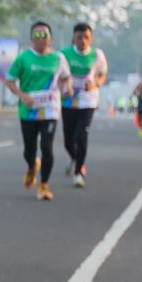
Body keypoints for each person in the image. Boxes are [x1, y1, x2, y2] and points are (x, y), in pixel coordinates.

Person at [5, 22, 71, 202]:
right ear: (31, 38)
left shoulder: (59, 59)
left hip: (50, 110)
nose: (40, 39)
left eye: (44, 35)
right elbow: (9, 80)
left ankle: (44, 185)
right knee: (29, 150)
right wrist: (22, 95)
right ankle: (32, 165)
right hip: (28, 111)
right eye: (36, 35)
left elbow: (65, 78)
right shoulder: (23, 58)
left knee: (47, 146)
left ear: (51, 38)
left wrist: (67, 88)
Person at [59, 22, 106, 188]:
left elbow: (102, 76)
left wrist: (95, 84)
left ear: (91, 38)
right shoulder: (64, 54)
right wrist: (64, 88)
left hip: (88, 100)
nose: (83, 41)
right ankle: (74, 157)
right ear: (74, 38)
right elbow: (58, 77)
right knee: (68, 138)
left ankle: (78, 173)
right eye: (79, 37)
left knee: (81, 135)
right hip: (68, 100)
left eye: (86, 37)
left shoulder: (97, 55)